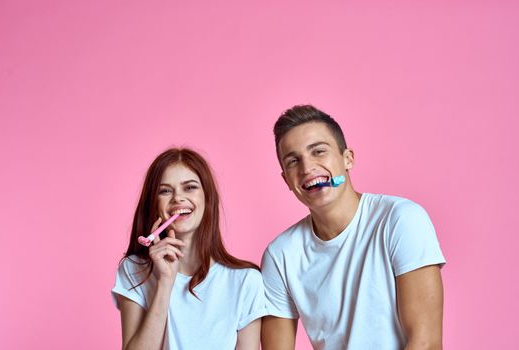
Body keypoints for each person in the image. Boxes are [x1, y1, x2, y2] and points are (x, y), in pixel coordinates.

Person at [260, 105, 446, 350]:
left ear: (348, 159)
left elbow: (426, 344)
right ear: (286, 179)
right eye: (293, 161)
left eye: (318, 151)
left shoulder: (400, 219)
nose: (307, 168)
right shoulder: (280, 255)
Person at [112, 148, 267, 350]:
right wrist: (165, 282)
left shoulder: (245, 281)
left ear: (207, 198)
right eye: (165, 190)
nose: (178, 198)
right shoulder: (134, 270)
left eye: (190, 187)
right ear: (154, 203)